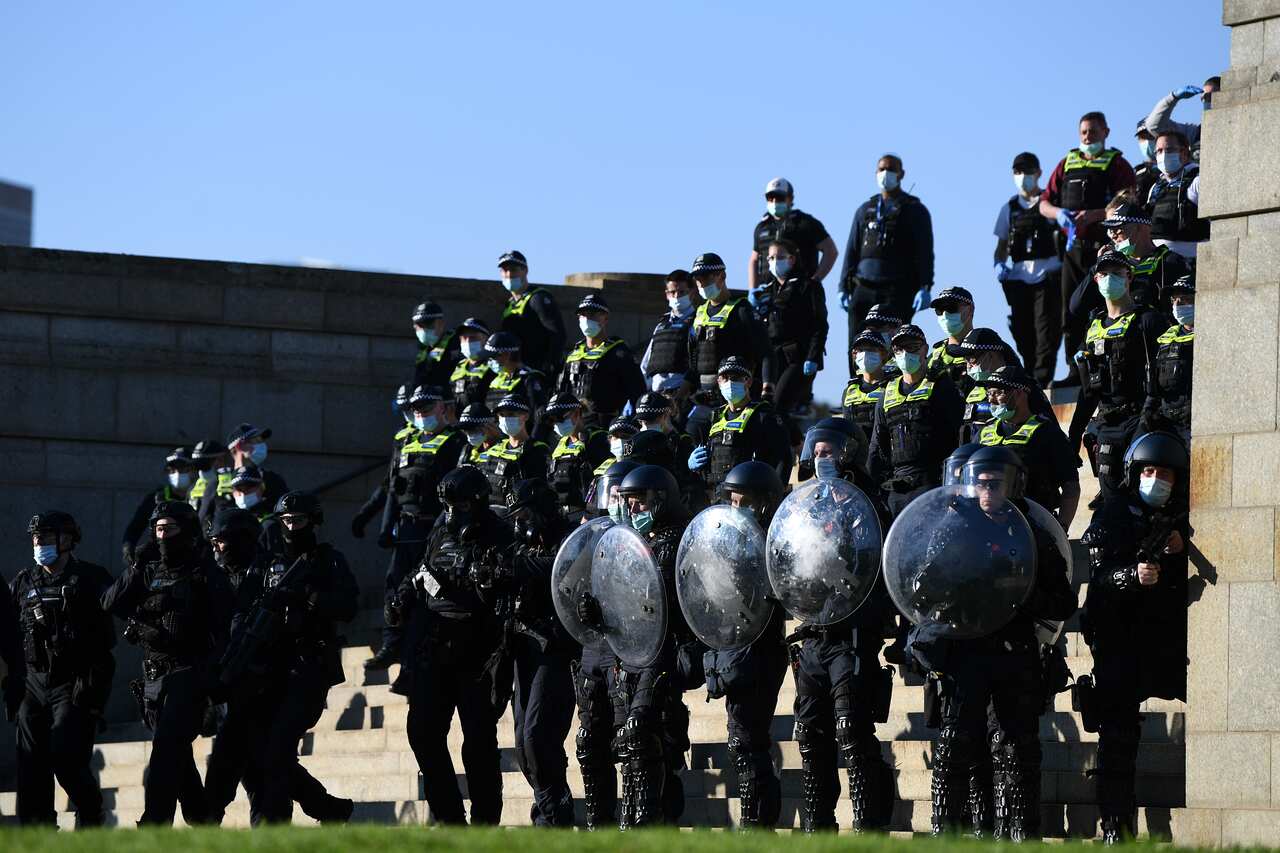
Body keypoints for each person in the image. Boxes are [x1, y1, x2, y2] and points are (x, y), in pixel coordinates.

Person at [914, 448, 1076, 840]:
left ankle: (1020, 836)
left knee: (1017, 749)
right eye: (980, 482)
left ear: (1012, 485)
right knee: (953, 747)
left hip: (1014, 650)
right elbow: (923, 589)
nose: (987, 489)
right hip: (965, 649)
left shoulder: (1033, 533)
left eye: (995, 482)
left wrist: (1019, 592)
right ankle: (945, 834)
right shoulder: (955, 529)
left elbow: (1063, 601)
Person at [1079, 432, 1190, 843]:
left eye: (1163, 473)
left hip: (1163, 639)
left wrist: (1181, 545)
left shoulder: (1178, 516)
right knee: (1118, 738)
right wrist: (1133, 576)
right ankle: (1115, 829)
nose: (1155, 479)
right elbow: (1101, 576)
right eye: (1148, 471)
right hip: (1118, 637)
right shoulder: (1113, 513)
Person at [389, 466, 513, 825]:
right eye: (447, 505)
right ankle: (449, 819)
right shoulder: (441, 529)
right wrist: (402, 595)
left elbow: (504, 586)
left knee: (478, 744)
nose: (451, 513)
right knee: (423, 733)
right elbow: (423, 569)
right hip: (436, 645)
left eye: (458, 505)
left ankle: (485, 822)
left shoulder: (499, 532)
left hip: (480, 650)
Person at [223, 493, 358, 824]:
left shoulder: (329, 560)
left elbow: (348, 606)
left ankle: (290, 821)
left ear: (313, 522)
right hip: (268, 668)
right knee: (258, 755)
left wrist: (309, 597)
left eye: (298, 520)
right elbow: (241, 609)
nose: (291, 527)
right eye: (285, 521)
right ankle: (328, 809)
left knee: (278, 750)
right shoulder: (265, 564)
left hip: (309, 667)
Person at [101, 501, 235, 826]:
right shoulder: (148, 570)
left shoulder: (205, 572)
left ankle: (153, 824)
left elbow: (226, 628)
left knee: (165, 747)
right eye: (158, 528)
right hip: (153, 678)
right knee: (177, 753)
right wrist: (135, 567)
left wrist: (211, 679)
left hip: (190, 672)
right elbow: (110, 603)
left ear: (186, 530)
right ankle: (201, 817)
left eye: (170, 528)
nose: (163, 535)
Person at [582, 465, 693, 828]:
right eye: (628, 502)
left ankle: (650, 821)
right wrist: (593, 609)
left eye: (639, 502)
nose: (633, 510)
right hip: (625, 654)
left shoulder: (680, 540)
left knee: (642, 732)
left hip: (661, 651)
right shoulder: (623, 542)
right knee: (624, 741)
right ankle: (626, 823)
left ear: (660, 500)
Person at [9, 511, 115, 828]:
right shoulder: (23, 581)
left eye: (46, 536)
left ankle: (91, 812)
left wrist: (94, 690)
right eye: (35, 537)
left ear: (68, 539)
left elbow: (109, 636)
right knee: (30, 765)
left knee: (66, 758)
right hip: (33, 682)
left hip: (73, 682)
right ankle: (37, 831)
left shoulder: (91, 577)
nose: (38, 542)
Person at [701, 461, 791, 828]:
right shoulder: (727, 542)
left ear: (765, 503)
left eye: (745, 503)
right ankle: (755, 820)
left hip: (763, 649)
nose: (737, 511)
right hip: (734, 647)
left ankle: (759, 824)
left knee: (748, 740)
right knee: (742, 741)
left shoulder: (777, 541)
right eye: (733, 502)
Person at [368, 385, 465, 671]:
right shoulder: (406, 441)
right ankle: (392, 641)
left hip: (433, 529)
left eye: (426, 407)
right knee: (395, 585)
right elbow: (394, 489)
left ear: (442, 408)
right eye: (416, 409)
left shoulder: (455, 441)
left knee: (429, 590)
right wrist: (385, 528)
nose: (421, 414)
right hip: (406, 529)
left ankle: (416, 654)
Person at [498, 480, 579, 826]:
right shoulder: (521, 545)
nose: (521, 524)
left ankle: (553, 817)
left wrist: (514, 567)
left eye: (526, 515)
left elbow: (559, 566)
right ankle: (547, 813)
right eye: (516, 517)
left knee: (537, 736)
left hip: (557, 650)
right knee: (522, 744)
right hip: (523, 648)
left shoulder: (571, 537)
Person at [1039, 112, 1137, 386]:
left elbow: (1127, 201)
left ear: (1106, 132)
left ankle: (1105, 369)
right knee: (1070, 311)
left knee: (1103, 307)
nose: (1087, 136)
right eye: (1083, 132)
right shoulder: (1066, 164)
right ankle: (1075, 371)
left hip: (1104, 249)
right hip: (1073, 249)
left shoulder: (1117, 164)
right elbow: (1044, 203)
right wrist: (1059, 214)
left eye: (1093, 131)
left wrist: (1095, 215)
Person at [1066, 250, 1168, 500]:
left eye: (1116, 273)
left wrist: (1149, 420)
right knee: (1112, 499)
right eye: (1103, 273)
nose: (1109, 278)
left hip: (1142, 420)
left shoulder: (1148, 320)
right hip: (1106, 426)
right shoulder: (1093, 330)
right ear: (1096, 279)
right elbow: (1088, 389)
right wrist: (1074, 433)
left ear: (1129, 277)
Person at [572, 459, 636, 828]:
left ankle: (631, 823)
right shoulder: (587, 535)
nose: (615, 500)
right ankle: (599, 826)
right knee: (589, 740)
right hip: (593, 647)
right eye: (609, 493)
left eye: (620, 494)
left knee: (629, 739)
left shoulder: (642, 535)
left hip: (628, 646)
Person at [867, 324, 964, 518]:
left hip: (932, 484)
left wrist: (953, 485)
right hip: (896, 487)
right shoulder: (886, 393)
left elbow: (958, 436)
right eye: (899, 349)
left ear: (925, 350)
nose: (905, 353)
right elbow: (877, 446)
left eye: (912, 347)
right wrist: (872, 489)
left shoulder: (941, 386)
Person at [838, 153, 935, 340]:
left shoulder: (915, 210)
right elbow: (851, 250)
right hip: (863, 287)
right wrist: (842, 286)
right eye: (882, 169)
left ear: (901, 174)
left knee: (894, 343)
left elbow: (925, 252)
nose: (885, 173)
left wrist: (925, 286)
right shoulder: (865, 209)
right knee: (857, 342)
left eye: (891, 169)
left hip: (898, 290)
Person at [976, 366, 1082, 529]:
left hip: (1032, 526)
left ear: (1019, 393)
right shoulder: (983, 434)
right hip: (987, 527)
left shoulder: (1047, 432)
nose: (991, 400)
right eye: (989, 393)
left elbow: (1071, 488)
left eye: (998, 393)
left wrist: (1060, 530)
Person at [994, 152, 1063, 387]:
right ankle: (1031, 376)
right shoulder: (1009, 208)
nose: (1023, 176)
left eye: (1027, 171)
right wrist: (999, 264)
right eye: (1018, 172)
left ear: (1039, 173)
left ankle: (1043, 380)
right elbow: (1001, 247)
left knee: (1047, 329)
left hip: (1048, 274)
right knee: (1023, 333)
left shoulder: (1050, 202)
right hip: (1019, 278)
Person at [687, 357, 793, 499]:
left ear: (748, 381)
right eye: (725, 378)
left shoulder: (763, 415)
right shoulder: (715, 416)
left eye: (736, 377)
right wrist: (696, 464)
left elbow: (784, 457)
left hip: (750, 495)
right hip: (717, 497)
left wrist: (775, 493)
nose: (730, 382)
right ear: (718, 382)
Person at [1081, 194, 1192, 315]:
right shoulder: (1113, 264)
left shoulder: (1170, 261)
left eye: (1119, 229)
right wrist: (1098, 266)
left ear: (1140, 228)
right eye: (1110, 231)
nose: (1113, 236)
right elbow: (1077, 306)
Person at [684, 253, 772, 404]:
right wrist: (681, 395)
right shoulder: (698, 314)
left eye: (706, 278)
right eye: (697, 280)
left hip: (735, 396)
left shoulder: (742, 310)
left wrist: (767, 389)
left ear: (722, 276)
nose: (701, 283)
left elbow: (766, 353)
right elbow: (693, 364)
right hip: (702, 397)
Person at [761, 238, 829, 417]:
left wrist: (813, 357)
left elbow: (819, 324)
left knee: (779, 405)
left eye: (779, 257)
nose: (774, 262)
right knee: (767, 409)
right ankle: (796, 443)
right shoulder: (768, 289)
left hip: (799, 358)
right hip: (774, 358)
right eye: (770, 258)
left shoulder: (808, 286)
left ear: (791, 259)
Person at [559, 293, 645, 429]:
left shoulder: (619, 353)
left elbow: (638, 393)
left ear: (605, 318)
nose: (587, 319)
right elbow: (560, 392)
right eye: (583, 315)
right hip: (573, 426)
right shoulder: (573, 355)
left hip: (606, 427)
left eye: (592, 315)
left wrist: (631, 426)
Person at [748, 177, 839, 293]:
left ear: (790, 199)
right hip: (768, 291)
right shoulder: (762, 227)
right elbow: (754, 260)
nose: (775, 202)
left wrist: (815, 280)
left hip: (800, 290)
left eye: (780, 197)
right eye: (770, 198)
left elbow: (831, 251)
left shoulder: (805, 223)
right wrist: (753, 289)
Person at [123, 446, 198, 567]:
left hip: (193, 558)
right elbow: (136, 526)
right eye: (172, 470)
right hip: (162, 556)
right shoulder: (157, 498)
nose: (177, 474)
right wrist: (128, 547)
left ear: (194, 470)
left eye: (183, 468)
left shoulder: (201, 496)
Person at [1142, 275, 1196, 444]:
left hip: (1196, 425)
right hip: (1169, 426)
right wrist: (1147, 415)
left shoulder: (1213, 335)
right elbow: (1154, 389)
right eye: (1175, 300)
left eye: (1186, 299)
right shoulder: (1166, 338)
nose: (1178, 304)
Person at [498, 250, 566, 378]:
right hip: (515, 372)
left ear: (525, 270)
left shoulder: (538, 298)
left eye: (513, 269)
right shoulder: (510, 304)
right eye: (504, 270)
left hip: (537, 371)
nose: (508, 274)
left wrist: (548, 366)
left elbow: (558, 335)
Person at [545, 391, 611, 519]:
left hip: (585, 516)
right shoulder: (560, 444)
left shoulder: (597, 440)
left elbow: (603, 482)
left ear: (576, 413)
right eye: (553, 420)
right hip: (561, 516)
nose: (557, 423)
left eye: (560, 418)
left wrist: (589, 514)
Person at [1146, 129, 1207, 259]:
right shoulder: (1155, 187)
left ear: (1184, 152)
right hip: (1159, 264)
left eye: (1169, 150)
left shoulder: (1199, 181)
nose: (1163, 155)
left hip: (1192, 263)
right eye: (1159, 151)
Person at [480, 395, 551, 505]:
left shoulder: (537, 450)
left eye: (511, 414)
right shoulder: (494, 450)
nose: (505, 419)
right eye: (502, 415)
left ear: (526, 416)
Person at [640, 270, 698, 398]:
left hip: (681, 395)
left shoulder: (698, 322)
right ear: (667, 295)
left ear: (692, 293)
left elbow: (698, 364)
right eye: (673, 292)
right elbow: (646, 364)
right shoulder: (661, 325)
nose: (677, 296)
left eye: (682, 292)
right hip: (655, 394)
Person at [482, 331, 548, 432]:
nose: (489, 361)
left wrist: (533, 441)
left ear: (506, 354)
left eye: (493, 356)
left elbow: (539, 416)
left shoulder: (529, 379)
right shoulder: (496, 380)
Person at [1143, 77, 1219, 163]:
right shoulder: (1196, 133)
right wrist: (1173, 97)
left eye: (1210, 97)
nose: (1206, 101)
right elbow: (1154, 127)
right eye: (1203, 98)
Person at [223, 423, 288, 508]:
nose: (262, 445)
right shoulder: (221, 480)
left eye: (262, 441)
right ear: (240, 446)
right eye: (257, 441)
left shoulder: (272, 479)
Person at [926, 286, 976, 390]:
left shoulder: (987, 348)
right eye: (939, 310)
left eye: (951, 308)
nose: (945, 314)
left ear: (970, 309)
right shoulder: (934, 357)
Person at [842, 330, 890, 437]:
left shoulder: (893, 386)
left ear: (884, 354)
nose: (865, 354)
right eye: (860, 350)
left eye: (871, 350)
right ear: (854, 355)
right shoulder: (849, 391)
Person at [413, 301, 463, 388]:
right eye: (421, 325)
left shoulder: (456, 343)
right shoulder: (422, 350)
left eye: (429, 324)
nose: (425, 329)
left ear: (441, 324)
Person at [450, 317, 498, 407]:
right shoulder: (457, 366)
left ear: (486, 339)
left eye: (473, 338)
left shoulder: (495, 366)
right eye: (464, 338)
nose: (468, 342)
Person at [188, 438, 232, 517]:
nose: (202, 470)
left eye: (204, 464)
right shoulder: (194, 487)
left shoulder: (234, 484)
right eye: (199, 465)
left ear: (221, 459)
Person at [1132, 120, 1161, 204]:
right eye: (1143, 137)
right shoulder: (1135, 172)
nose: (1147, 141)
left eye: (1151, 136)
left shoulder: (1176, 168)